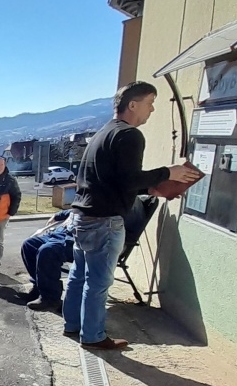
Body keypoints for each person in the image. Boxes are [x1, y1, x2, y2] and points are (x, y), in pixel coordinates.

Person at [63, 81, 200, 350]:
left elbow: (112, 179)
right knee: (98, 283)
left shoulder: (102, 134)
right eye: (150, 103)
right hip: (104, 220)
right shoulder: (130, 135)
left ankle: (73, 325)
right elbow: (128, 180)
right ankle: (92, 336)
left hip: (83, 216)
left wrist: (152, 188)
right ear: (133, 105)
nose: (152, 110)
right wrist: (168, 173)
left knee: (78, 276)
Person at [21, 209, 74, 312]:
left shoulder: (98, 203)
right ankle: (39, 287)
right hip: (58, 234)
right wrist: (57, 216)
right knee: (28, 244)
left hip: (73, 239)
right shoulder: (81, 201)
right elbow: (69, 211)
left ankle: (51, 298)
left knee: (47, 251)